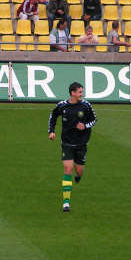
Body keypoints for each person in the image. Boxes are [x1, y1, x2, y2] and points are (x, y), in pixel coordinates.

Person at [48, 82, 98, 212]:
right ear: (73, 93)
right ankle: (66, 202)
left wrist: (85, 126)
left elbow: (94, 119)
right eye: (80, 92)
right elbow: (53, 116)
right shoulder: (62, 106)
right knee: (67, 170)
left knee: (78, 171)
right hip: (67, 143)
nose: (82, 94)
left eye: (82, 92)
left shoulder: (86, 106)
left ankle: (79, 175)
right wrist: (51, 131)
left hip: (82, 144)